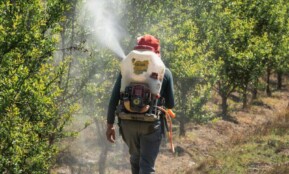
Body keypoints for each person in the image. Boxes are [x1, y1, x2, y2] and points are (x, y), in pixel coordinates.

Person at [106, 34, 175, 174]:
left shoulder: (126, 71)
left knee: (135, 160)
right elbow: (170, 104)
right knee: (147, 166)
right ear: (156, 52)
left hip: (127, 122)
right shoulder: (165, 72)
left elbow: (113, 99)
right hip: (151, 124)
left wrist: (110, 125)